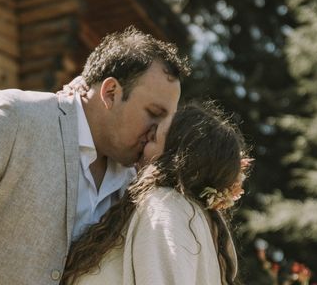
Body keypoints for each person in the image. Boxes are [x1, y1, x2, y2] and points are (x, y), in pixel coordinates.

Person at [0, 26, 191, 284]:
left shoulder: (136, 180)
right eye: (153, 114)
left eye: (167, 121)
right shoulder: (16, 117)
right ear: (110, 93)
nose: (158, 132)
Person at [62, 102, 250, 285]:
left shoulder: (166, 208)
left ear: (175, 158)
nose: (142, 142)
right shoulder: (195, 216)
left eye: (153, 138)